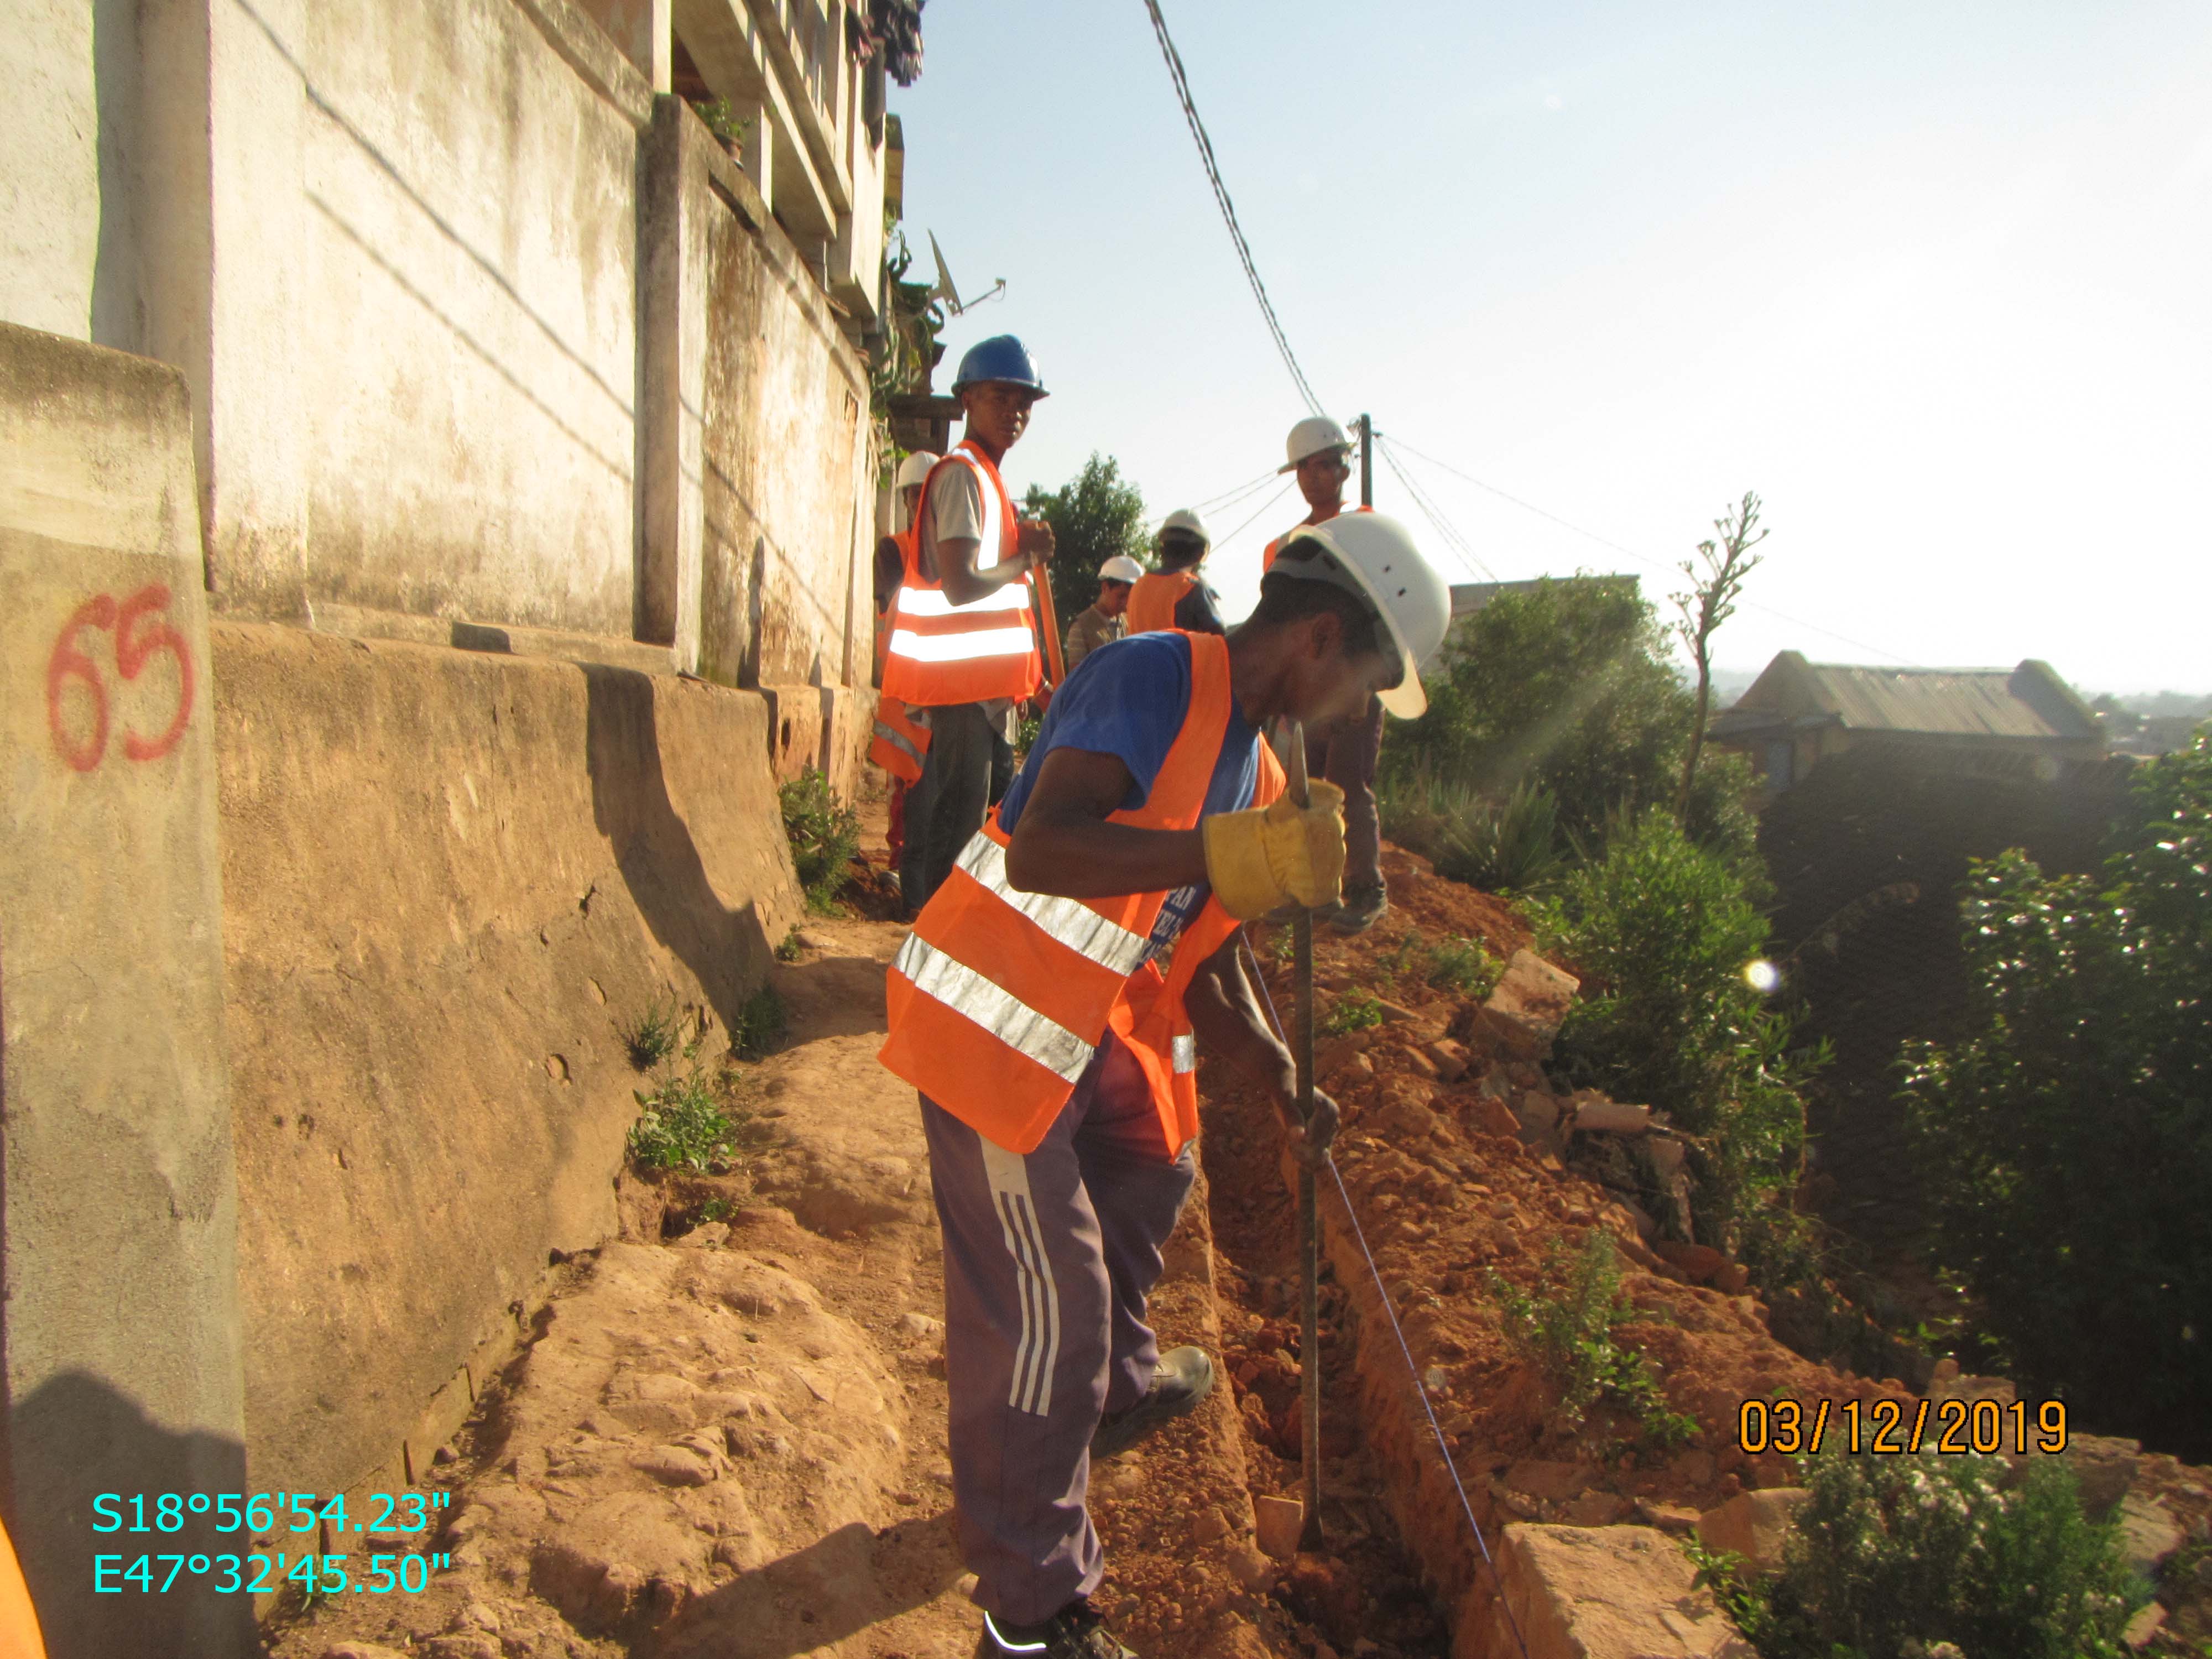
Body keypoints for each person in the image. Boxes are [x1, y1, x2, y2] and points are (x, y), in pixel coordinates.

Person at [879, 514, 1452, 1659]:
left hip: (1085, 1022)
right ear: (1321, 639)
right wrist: (1220, 851)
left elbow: (1210, 942)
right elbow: (1045, 848)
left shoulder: (1261, 757)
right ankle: (1030, 1611)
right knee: (1056, 1309)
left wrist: (1281, 1073)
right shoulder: (1148, 675)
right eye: (1363, 685)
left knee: (1158, 1162)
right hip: (990, 1023)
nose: (1353, 714)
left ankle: (1113, 1392)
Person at [881, 336, 1055, 918]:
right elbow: (959, 586)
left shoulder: (985, 480)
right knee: (955, 832)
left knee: (965, 829)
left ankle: (935, 954)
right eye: (1001, 397)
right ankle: (932, 957)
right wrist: (1025, 559)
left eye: (1024, 401)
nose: (1016, 411)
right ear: (967, 401)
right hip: (959, 695)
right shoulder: (963, 477)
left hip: (979, 695)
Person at [1265, 416, 1386, 934]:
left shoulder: (1369, 530)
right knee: (1305, 785)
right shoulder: (1284, 546)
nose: (1315, 477)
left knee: (1348, 783)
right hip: (1311, 685)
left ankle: (1366, 887)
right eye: (1306, 469)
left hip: (1357, 677)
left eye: (1324, 466)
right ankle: (1307, 887)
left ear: (1342, 468)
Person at [873, 450, 940, 871]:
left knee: (939, 781)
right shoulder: (893, 550)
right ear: (905, 501)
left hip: (944, 677)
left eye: (928, 496)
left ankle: (927, 866)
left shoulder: (955, 550)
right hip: (905, 676)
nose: (920, 504)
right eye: (914, 496)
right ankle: (902, 860)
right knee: (909, 776)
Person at [1124, 509, 1224, 635]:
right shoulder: (1191, 587)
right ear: (1200, 554)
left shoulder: (1139, 585)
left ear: (1163, 549)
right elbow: (1220, 636)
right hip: (1178, 656)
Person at [1065, 555, 1142, 672]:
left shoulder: (1130, 622)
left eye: (1131, 597)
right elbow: (1078, 679)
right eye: (1121, 596)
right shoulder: (1081, 627)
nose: (1126, 604)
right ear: (1105, 588)